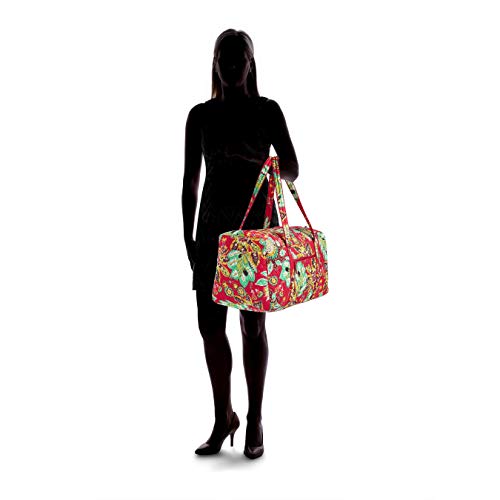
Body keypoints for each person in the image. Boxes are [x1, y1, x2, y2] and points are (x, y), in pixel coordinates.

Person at [182, 28, 299, 459]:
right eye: (224, 58)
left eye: (239, 57)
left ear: (251, 63)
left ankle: (254, 419)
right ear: (214, 63)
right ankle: (222, 418)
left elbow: (292, 168)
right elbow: (189, 182)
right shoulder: (200, 115)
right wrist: (187, 236)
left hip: (255, 232)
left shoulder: (267, 110)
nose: (231, 65)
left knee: (252, 326)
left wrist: (255, 162)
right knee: (210, 327)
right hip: (213, 229)